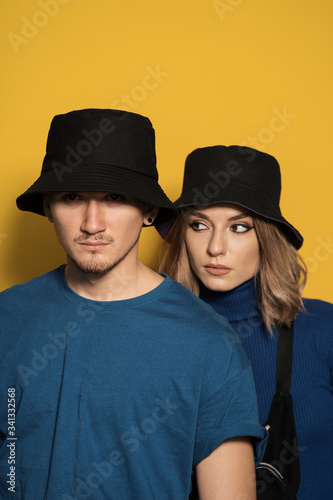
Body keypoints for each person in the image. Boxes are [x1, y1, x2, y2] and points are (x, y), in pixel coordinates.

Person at [0, 112, 267, 500]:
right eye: (73, 197)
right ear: (48, 207)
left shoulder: (209, 343)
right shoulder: (8, 316)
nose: (93, 223)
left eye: (114, 198)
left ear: (149, 211)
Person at [158, 145, 333, 499]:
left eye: (238, 227)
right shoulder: (154, 337)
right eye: (199, 225)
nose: (215, 247)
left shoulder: (323, 329)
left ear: (266, 237)